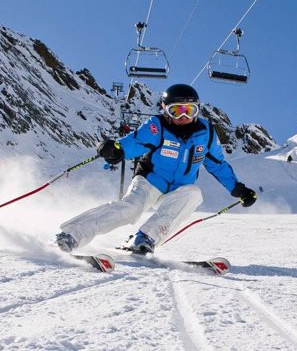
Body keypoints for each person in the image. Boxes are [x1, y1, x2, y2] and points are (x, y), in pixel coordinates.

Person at [56, 84, 257, 254]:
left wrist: (238, 189)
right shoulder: (157, 126)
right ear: (165, 110)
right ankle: (71, 234)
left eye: (190, 110)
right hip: (150, 181)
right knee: (131, 209)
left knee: (194, 194)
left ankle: (143, 239)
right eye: (176, 110)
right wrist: (116, 150)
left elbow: (218, 165)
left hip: (178, 189)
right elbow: (136, 142)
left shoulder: (206, 133)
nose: (184, 116)